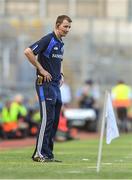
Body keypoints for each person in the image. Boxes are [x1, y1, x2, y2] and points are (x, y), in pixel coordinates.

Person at [24, 15, 72, 162]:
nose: (67, 29)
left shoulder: (60, 43)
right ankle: (38, 154)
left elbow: (59, 60)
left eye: (69, 27)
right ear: (57, 25)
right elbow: (28, 51)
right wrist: (41, 69)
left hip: (56, 85)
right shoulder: (48, 39)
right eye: (65, 26)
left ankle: (48, 153)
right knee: (47, 118)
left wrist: (61, 73)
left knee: (55, 120)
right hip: (44, 84)